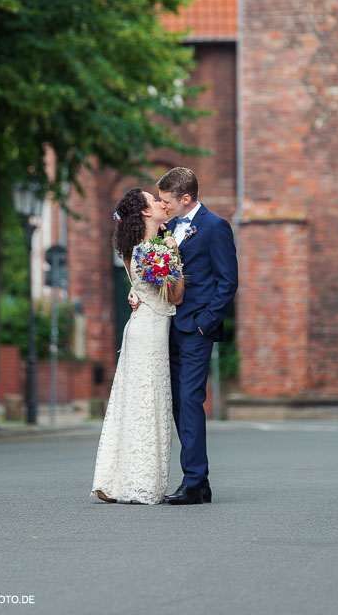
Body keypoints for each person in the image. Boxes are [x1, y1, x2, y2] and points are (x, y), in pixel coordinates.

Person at [130, 167, 238, 505]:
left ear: (186, 198)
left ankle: (192, 483)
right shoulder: (167, 228)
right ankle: (200, 480)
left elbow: (227, 282)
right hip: (166, 327)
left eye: (166, 200)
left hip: (196, 329)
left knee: (191, 399)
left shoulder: (215, 227)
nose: (163, 205)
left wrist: (206, 323)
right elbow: (160, 276)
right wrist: (138, 293)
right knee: (177, 402)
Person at [91, 187, 184, 505]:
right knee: (148, 404)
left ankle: (114, 478)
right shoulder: (152, 250)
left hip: (140, 328)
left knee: (130, 404)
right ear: (145, 212)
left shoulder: (134, 249)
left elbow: (143, 289)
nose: (160, 203)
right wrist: (172, 251)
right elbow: (176, 295)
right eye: (154, 201)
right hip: (150, 334)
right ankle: (140, 482)